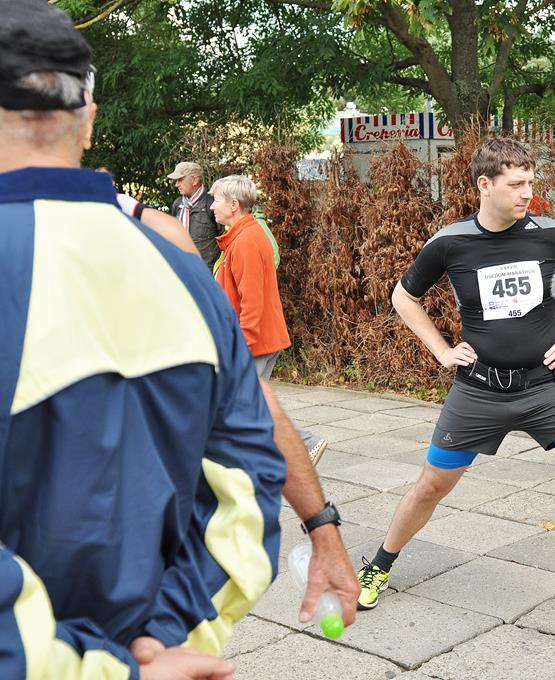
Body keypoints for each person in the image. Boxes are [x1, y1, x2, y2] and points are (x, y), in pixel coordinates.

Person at [0, 2, 286, 677]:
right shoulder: (182, 271)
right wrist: (165, 637)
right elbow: (247, 479)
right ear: (88, 119)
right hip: (167, 648)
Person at [355, 136, 555, 659]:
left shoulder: (551, 234)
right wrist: (441, 350)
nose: (528, 192)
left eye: (531, 182)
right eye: (516, 184)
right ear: (484, 185)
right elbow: (403, 295)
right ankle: (379, 565)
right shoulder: (450, 242)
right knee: (429, 487)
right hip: (479, 392)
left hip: (548, 390)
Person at [209, 174, 328, 465]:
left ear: (233, 205)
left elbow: (252, 302)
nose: (212, 206)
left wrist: (243, 346)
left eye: (216, 200)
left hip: (254, 341)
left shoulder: (246, 241)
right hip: (255, 338)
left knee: (247, 403)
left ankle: (304, 444)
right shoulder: (241, 237)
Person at [96, 165, 201, 257]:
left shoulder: (122, 201)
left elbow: (162, 223)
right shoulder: (178, 203)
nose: (176, 184)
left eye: (102, 179)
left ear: (112, 183)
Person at [169, 161, 221, 270]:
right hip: (182, 269)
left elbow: (224, 238)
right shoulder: (178, 204)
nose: (176, 184)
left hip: (207, 272)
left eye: (180, 180)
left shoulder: (212, 203)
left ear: (194, 180)